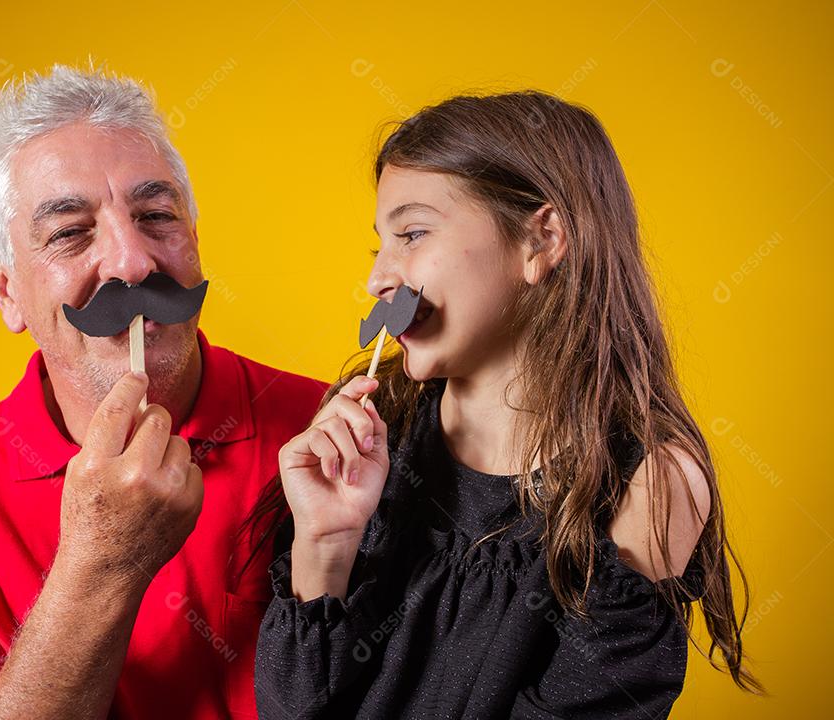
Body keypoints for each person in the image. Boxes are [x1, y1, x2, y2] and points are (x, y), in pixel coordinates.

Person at [252, 92, 761, 718]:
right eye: (378, 245)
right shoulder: (373, 436)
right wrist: (326, 544)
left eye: (412, 234)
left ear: (541, 240)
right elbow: (293, 709)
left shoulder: (651, 488)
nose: (379, 279)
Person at [0, 65, 327, 719]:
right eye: (69, 233)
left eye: (156, 216)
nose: (132, 261)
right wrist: (105, 560)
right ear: (6, 290)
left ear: (195, 242)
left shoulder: (332, 432)